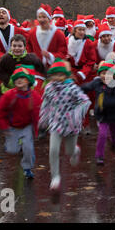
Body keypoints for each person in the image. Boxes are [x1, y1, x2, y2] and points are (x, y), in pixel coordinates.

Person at [39, 59, 91, 191]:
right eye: (54, 75)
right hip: (55, 124)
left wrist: (75, 114)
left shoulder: (72, 88)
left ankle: (75, 151)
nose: (57, 78)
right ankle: (55, 177)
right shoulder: (49, 88)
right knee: (53, 150)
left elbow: (85, 101)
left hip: (71, 125)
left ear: (65, 75)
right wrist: (43, 120)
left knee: (69, 150)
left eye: (60, 75)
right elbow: (46, 104)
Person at [0, 65, 42, 179]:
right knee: (12, 150)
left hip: (26, 126)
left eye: (22, 78)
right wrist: (3, 126)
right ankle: (13, 145)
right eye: (17, 78)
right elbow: (0, 109)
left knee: (28, 148)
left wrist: (39, 127)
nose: (19, 80)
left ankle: (27, 168)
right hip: (12, 126)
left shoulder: (34, 96)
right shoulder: (10, 95)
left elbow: (39, 111)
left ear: (28, 81)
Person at [81, 60, 115, 166]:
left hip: (114, 115)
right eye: (103, 73)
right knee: (102, 134)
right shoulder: (97, 83)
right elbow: (86, 87)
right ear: (99, 74)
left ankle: (114, 143)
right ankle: (99, 156)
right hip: (102, 115)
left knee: (114, 135)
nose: (105, 76)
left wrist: (105, 102)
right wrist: (76, 90)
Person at [27, 4, 68, 68]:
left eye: (44, 17)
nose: (41, 20)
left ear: (49, 19)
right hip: (37, 69)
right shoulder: (32, 33)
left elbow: (63, 53)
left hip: (53, 69)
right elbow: (29, 50)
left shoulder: (58, 34)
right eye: (39, 17)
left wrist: (50, 56)